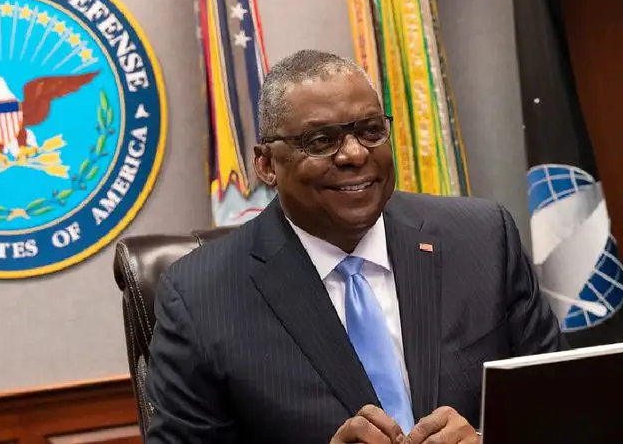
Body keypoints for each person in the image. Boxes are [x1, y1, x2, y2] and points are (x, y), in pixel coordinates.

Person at [144, 49, 568, 444]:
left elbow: (566, 410)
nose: (354, 154)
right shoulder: (200, 298)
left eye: (370, 131)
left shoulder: (482, 239)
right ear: (267, 165)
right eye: (320, 141)